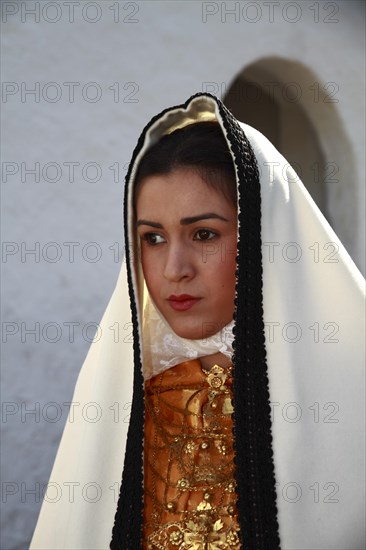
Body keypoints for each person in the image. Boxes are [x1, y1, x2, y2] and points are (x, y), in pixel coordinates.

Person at [30, 93, 365, 549]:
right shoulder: (119, 406)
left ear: (264, 238)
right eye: (152, 238)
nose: (174, 269)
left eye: (204, 234)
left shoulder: (350, 397)